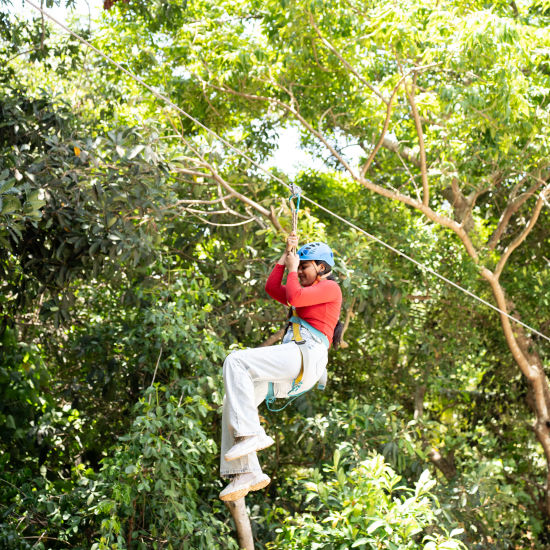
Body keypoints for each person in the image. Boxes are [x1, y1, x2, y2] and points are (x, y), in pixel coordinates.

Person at [219, 232, 343, 501]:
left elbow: (295, 296)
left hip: (306, 353)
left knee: (235, 360)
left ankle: (251, 432)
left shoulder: (331, 288)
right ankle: (246, 472)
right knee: (233, 400)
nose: (299, 272)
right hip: (295, 363)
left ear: (322, 267)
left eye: (304, 267)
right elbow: (274, 289)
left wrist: (291, 268)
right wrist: (285, 256)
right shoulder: (305, 289)